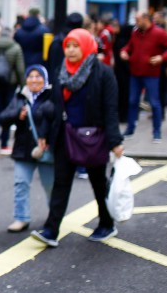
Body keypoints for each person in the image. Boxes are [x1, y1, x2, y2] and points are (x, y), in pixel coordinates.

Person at [30, 29, 124, 248]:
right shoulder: (61, 71)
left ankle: (107, 223)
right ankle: (51, 230)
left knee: (98, 183)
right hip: (65, 135)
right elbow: (52, 107)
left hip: (93, 137)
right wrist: (44, 134)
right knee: (61, 183)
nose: (71, 51)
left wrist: (115, 141)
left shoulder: (103, 73)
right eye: (68, 46)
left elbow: (111, 110)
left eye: (75, 46)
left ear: (87, 46)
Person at [0, 65, 56, 232]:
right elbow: (2, 118)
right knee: (20, 183)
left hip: (45, 149)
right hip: (23, 149)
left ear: (45, 80)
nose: (34, 80)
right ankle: (21, 218)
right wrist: (17, 114)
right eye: (30, 76)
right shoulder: (20, 97)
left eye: (38, 76)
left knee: (50, 186)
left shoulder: (52, 97)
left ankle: (54, 217)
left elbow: (57, 120)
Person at [120, 12, 167, 143]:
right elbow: (130, 46)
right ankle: (130, 129)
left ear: (146, 19)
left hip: (151, 73)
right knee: (132, 101)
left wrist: (162, 57)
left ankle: (157, 132)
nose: (135, 22)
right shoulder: (135, 32)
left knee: (154, 103)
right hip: (135, 72)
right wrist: (124, 51)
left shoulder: (159, 33)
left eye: (137, 19)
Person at [0, 27, 26, 154]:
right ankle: (4, 143)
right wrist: (23, 85)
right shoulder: (16, 47)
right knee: (8, 111)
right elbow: (20, 69)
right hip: (10, 84)